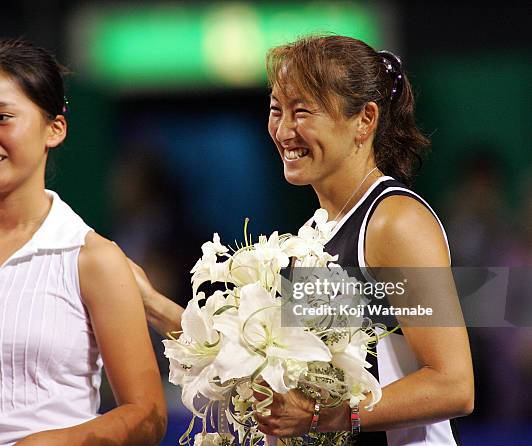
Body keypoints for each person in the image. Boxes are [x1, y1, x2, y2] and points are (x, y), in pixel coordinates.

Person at [130, 34, 474, 445]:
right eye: (277, 110)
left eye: (303, 111)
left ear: (365, 119)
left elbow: (453, 385)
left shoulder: (395, 222)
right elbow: (253, 365)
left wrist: (321, 417)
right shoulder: (314, 234)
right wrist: (150, 303)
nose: (284, 129)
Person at [0, 38, 166, 445]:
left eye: (2, 118)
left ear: (54, 128)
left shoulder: (95, 258)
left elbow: (148, 417)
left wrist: (48, 442)